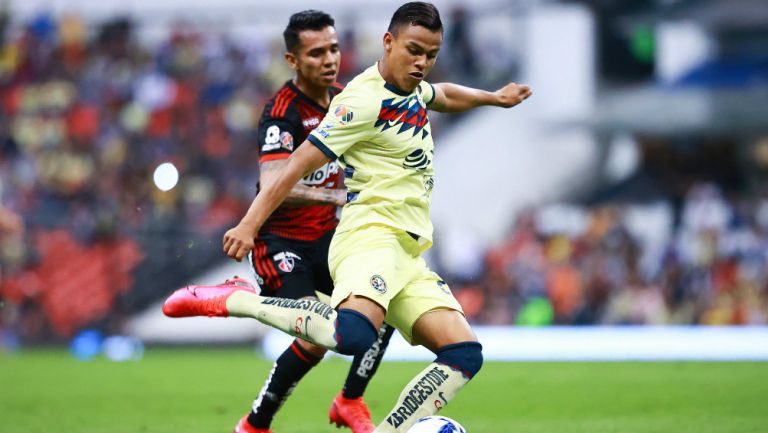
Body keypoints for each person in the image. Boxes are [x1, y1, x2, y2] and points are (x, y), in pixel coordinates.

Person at [164, 2, 531, 432]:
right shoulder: (358, 101)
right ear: (388, 42)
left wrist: (494, 98)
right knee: (353, 334)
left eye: (430, 55)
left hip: (407, 252)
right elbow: (294, 165)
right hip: (367, 237)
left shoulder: (412, 88)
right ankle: (237, 300)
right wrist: (248, 224)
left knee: (464, 353)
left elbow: (443, 94)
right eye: (414, 50)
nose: (422, 63)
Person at [189, 11, 394, 433]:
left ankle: (350, 400)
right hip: (280, 241)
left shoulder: (347, 101)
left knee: (384, 303)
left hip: (328, 238)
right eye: (316, 52)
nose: (329, 59)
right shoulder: (282, 112)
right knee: (316, 336)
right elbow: (273, 182)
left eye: (334, 48)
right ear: (292, 61)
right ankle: (255, 423)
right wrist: (339, 194)